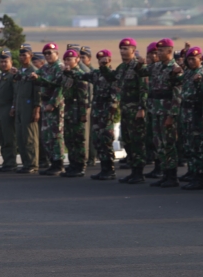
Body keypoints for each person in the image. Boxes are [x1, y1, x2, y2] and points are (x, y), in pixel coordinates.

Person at [136, 38, 183, 188]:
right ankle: (164, 173)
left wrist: (171, 116)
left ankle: (172, 176)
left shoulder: (174, 69)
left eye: (161, 50)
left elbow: (177, 95)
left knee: (169, 144)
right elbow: (141, 72)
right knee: (159, 143)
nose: (158, 53)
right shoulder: (156, 67)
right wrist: (139, 62)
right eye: (157, 51)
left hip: (167, 111)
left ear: (170, 51)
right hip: (155, 110)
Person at [100, 38, 147, 184]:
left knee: (137, 141)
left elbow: (144, 89)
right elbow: (112, 79)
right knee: (127, 140)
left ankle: (139, 173)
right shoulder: (122, 67)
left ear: (133, 50)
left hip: (136, 109)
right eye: (121, 48)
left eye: (126, 49)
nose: (122, 51)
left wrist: (142, 108)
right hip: (125, 109)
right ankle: (133, 171)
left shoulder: (138, 67)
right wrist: (104, 67)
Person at [35, 50, 89, 177]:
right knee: (69, 139)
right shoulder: (66, 75)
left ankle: (80, 166)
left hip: (77, 109)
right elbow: (53, 84)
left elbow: (83, 97)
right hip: (68, 109)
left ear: (77, 60)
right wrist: (37, 79)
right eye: (65, 60)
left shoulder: (80, 75)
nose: (67, 62)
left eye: (70, 59)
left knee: (78, 139)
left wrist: (83, 114)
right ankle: (72, 165)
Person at [66, 49, 118, 180]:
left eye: (104, 59)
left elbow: (115, 95)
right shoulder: (96, 74)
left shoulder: (113, 75)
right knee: (97, 140)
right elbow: (81, 76)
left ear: (109, 60)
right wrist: (69, 71)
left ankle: (109, 169)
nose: (102, 62)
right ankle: (104, 169)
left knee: (106, 139)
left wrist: (111, 109)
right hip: (96, 111)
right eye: (100, 60)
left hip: (106, 112)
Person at [179, 47, 203, 190]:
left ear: (200, 59)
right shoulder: (187, 73)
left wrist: (198, 83)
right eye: (189, 59)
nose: (191, 61)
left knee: (198, 147)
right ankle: (193, 173)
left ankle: (200, 177)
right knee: (189, 146)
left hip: (196, 115)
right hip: (186, 114)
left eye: (194, 59)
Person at [33, 43, 66, 176]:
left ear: (56, 54)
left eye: (50, 53)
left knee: (56, 135)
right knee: (46, 135)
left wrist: (53, 103)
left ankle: (59, 164)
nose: (47, 56)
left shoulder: (59, 68)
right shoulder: (46, 67)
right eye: (45, 53)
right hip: (45, 104)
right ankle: (52, 162)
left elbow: (60, 88)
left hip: (54, 106)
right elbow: (34, 76)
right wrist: (18, 74)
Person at [11, 44, 41, 173]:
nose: (22, 57)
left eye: (25, 55)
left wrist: (37, 109)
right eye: (20, 55)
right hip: (19, 107)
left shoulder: (34, 72)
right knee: (21, 137)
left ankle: (33, 164)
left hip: (29, 107)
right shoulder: (19, 72)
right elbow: (16, 92)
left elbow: (38, 92)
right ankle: (25, 163)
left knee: (30, 137)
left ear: (31, 56)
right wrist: (14, 106)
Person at [0, 49, 18, 172]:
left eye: (6, 61)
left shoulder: (12, 76)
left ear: (11, 62)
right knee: (2, 137)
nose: (3, 64)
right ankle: (6, 161)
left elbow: (15, 93)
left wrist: (13, 107)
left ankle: (11, 162)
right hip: (0, 109)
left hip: (8, 108)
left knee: (9, 137)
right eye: (1, 61)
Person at [144, 42, 164, 179]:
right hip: (152, 107)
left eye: (155, 53)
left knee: (163, 140)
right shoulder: (152, 69)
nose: (152, 56)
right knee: (154, 138)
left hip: (163, 109)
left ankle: (164, 169)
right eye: (150, 53)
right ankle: (158, 167)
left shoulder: (164, 68)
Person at [31, 51, 50, 169]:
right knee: (38, 135)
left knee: (44, 135)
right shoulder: (36, 75)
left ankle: (45, 159)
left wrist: (37, 109)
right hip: (39, 107)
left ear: (42, 63)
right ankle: (42, 158)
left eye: (35, 62)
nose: (33, 64)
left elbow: (39, 93)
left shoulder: (43, 75)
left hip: (44, 108)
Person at [80, 46, 98, 167]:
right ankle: (90, 157)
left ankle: (91, 157)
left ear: (90, 58)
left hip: (91, 105)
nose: (81, 60)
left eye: (83, 57)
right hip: (88, 104)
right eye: (79, 57)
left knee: (90, 133)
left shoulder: (91, 72)